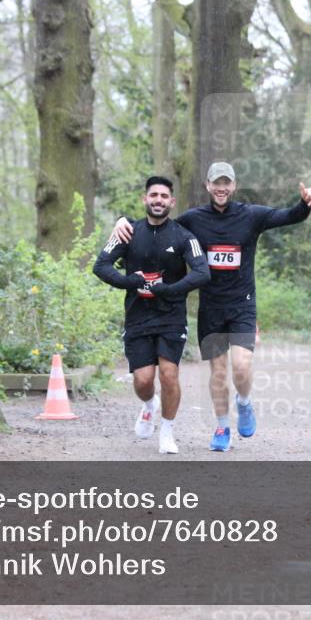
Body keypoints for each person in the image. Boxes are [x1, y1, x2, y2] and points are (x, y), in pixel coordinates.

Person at [112, 161, 311, 452]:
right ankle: (222, 426)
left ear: (234, 186)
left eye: (226, 183)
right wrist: (122, 220)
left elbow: (287, 216)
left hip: (242, 305)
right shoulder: (194, 219)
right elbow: (160, 222)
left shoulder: (251, 215)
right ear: (208, 186)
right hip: (210, 307)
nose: (221, 188)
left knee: (241, 367)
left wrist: (304, 204)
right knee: (217, 372)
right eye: (216, 183)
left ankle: (244, 402)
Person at [93, 176, 210, 454]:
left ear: (172, 202)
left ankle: (167, 432)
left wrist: (169, 290)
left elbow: (202, 272)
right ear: (145, 199)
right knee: (143, 380)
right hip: (137, 317)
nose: (158, 200)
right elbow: (101, 265)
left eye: (163, 196)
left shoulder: (184, 236)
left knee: (169, 375)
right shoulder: (128, 231)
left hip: (171, 316)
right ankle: (149, 404)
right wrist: (129, 281)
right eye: (153, 195)